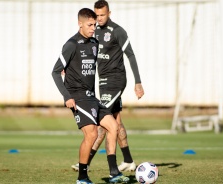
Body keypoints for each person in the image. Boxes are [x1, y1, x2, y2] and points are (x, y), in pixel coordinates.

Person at [52, 8, 129, 184]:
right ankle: (82, 178)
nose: (93, 27)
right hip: (77, 97)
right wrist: (67, 97)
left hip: (91, 96)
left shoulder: (94, 43)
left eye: (95, 24)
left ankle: (114, 173)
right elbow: (55, 72)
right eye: (90, 24)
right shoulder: (71, 44)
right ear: (80, 24)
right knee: (92, 134)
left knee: (113, 126)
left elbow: (88, 69)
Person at [71, 0, 144, 173]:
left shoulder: (117, 31)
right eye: (97, 15)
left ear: (109, 13)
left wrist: (138, 82)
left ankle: (87, 163)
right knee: (116, 121)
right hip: (102, 81)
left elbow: (131, 55)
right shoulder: (92, 31)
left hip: (115, 80)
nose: (99, 18)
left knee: (102, 122)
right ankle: (128, 160)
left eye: (103, 15)